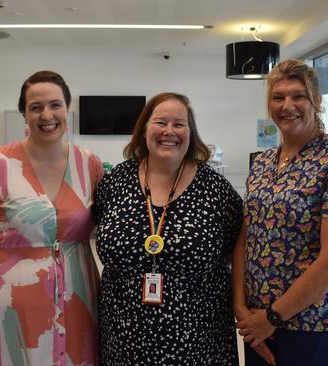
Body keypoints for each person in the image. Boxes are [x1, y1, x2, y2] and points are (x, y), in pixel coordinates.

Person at [0, 70, 103, 366]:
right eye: (36, 107)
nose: (47, 115)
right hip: (9, 299)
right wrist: (3, 267)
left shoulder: (90, 164)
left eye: (55, 105)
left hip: (78, 292)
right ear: (24, 114)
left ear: (67, 109)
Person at [233, 59, 328, 366]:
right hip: (258, 318)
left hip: (314, 322)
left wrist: (272, 317)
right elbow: (248, 234)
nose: (287, 106)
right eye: (278, 97)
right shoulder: (263, 161)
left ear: (316, 101)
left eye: (298, 96)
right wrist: (241, 307)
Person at [92, 92, 243, 365]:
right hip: (124, 337)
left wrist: (242, 307)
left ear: (191, 132)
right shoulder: (116, 181)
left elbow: (239, 248)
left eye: (179, 124)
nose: (169, 131)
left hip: (198, 339)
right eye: (160, 122)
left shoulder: (216, 190)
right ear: (144, 129)